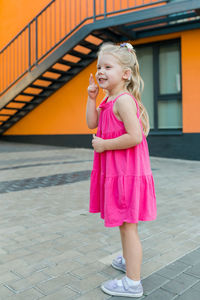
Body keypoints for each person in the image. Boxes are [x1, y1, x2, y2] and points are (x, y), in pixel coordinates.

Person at [86, 42, 157, 298]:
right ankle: (129, 260)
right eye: (99, 67)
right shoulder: (109, 100)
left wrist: (104, 145)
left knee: (129, 226)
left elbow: (135, 136)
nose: (101, 71)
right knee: (124, 223)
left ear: (125, 74)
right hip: (118, 174)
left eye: (108, 66)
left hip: (126, 175)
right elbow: (91, 123)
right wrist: (92, 97)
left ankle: (132, 283)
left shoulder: (124, 101)